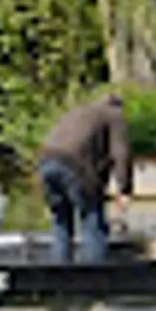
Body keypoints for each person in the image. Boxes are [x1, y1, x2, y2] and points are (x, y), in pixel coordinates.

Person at [37, 91, 133, 265]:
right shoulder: (115, 116)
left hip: (46, 161)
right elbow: (121, 154)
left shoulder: (79, 111)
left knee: (61, 221)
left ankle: (58, 272)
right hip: (75, 165)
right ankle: (93, 273)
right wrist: (124, 189)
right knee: (92, 220)